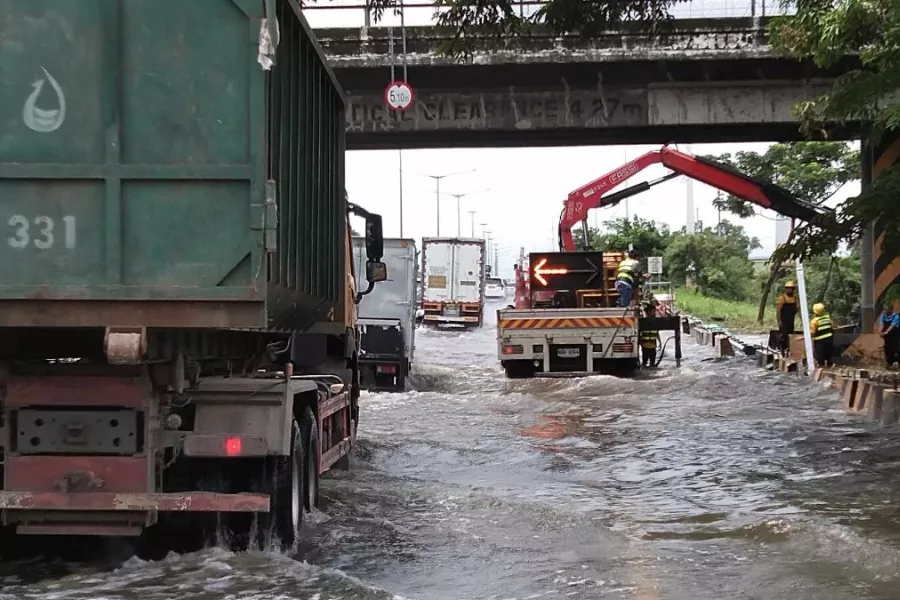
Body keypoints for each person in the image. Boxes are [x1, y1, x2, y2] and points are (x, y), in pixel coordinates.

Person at [775, 281, 799, 353]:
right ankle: (781, 350)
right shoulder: (782, 298)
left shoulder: (795, 299)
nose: (788, 290)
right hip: (784, 321)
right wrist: (779, 321)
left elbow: (798, 309)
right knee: (783, 336)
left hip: (791, 321)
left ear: (793, 289)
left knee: (790, 335)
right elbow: (778, 310)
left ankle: (789, 350)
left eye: (790, 288)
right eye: (787, 288)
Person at [810, 302, 834, 368]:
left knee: (820, 356)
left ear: (815, 312)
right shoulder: (828, 318)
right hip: (829, 340)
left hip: (819, 342)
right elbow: (832, 327)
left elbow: (812, 332)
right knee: (828, 354)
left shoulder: (814, 321)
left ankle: (821, 367)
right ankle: (830, 365)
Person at [879, 302, 900, 368]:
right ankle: (889, 364)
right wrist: (880, 332)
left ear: (891, 310)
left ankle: (897, 363)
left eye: (886, 309)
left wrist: (886, 332)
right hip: (887, 338)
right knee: (887, 349)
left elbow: (892, 326)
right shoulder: (883, 316)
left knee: (895, 349)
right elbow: (881, 325)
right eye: (884, 309)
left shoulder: (896, 317)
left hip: (895, 337)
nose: (885, 311)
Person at [640, 303, 660, 368]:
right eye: (653, 311)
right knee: (644, 363)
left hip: (653, 346)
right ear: (648, 312)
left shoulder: (655, 321)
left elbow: (657, 332)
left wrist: (660, 341)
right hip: (645, 346)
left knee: (652, 363)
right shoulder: (643, 321)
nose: (654, 313)